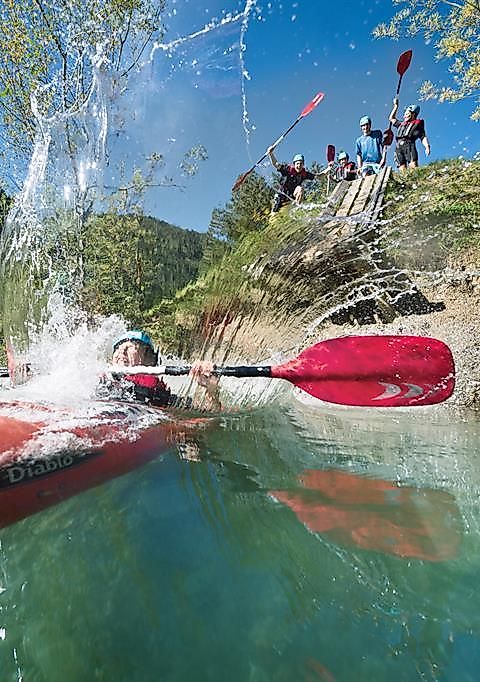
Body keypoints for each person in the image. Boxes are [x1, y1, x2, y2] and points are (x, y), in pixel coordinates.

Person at [105, 330, 221, 411]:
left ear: (149, 360)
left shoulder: (157, 394)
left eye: (130, 346)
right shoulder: (101, 381)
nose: (122, 351)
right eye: (118, 348)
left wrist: (211, 388)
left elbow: (210, 413)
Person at [267, 147, 316, 212]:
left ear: (303, 164)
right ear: (294, 164)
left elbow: (318, 176)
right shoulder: (287, 170)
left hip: (292, 196)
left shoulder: (304, 174)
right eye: (297, 164)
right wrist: (270, 153)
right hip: (282, 195)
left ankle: (297, 209)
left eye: (301, 164)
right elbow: (276, 164)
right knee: (274, 212)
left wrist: (327, 170)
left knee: (300, 188)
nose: (299, 165)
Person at [388, 99, 431, 171]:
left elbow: (422, 137)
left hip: (409, 145)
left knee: (413, 167)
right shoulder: (401, 124)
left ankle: (416, 177)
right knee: (402, 169)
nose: (404, 116)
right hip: (398, 147)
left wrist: (427, 146)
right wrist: (396, 106)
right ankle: (405, 178)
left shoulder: (417, 124)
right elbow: (391, 118)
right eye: (404, 114)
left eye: (407, 114)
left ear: (413, 114)